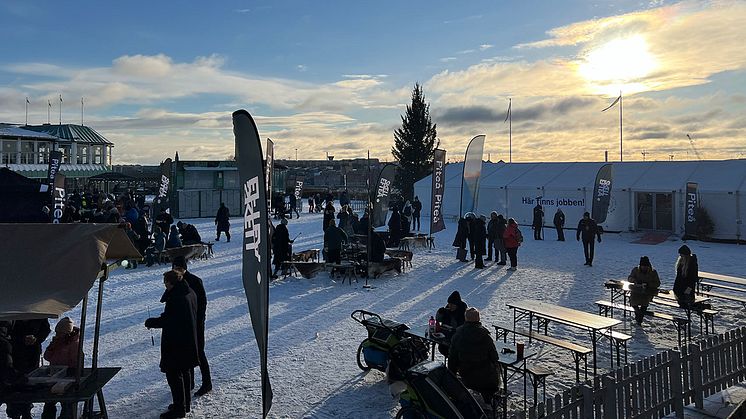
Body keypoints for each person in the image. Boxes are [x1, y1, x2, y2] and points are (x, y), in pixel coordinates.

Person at [145, 270, 200, 419]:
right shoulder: (189, 292)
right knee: (185, 371)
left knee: (174, 375)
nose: (165, 286)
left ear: (171, 283)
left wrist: (152, 322)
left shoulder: (177, 298)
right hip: (188, 339)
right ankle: (185, 403)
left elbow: (170, 320)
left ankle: (179, 408)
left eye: (166, 283)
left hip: (177, 342)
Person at [171, 256, 212, 397]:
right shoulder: (177, 280)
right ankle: (190, 382)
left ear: (184, 267)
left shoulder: (195, 281)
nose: (175, 270)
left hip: (196, 323)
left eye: (178, 267)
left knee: (199, 352)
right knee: (187, 352)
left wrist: (197, 321)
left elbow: (203, 304)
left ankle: (207, 383)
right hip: (186, 324)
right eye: (174, 267)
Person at [448, 308, 500, 405]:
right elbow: (495, 357)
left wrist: (451, 378)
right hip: (486, 378)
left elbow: (452, 360)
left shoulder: (458, 335)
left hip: (467, 376)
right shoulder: (485, 336)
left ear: (465, 319)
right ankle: (489, 398)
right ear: (478, 319)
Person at [7, 319, 51, 419]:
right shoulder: (12, 313)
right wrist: (21, 339)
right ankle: (14, 412)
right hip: (14, 354)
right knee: (14, 384)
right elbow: (6, 332)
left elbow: (45, 329)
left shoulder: (38, 313)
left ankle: (26, 410)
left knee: (30, 383)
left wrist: (37, 338)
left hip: (32, 355)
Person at [42, 317, 81, 419]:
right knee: (49, 402)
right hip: (54, 376)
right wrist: (51, 347)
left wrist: (69, 371)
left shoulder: (74, 345)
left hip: (67, 378)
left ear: (67, 333)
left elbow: (76, 362)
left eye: (59, 333)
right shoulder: (57, 342)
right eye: (56, 333)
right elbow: (47, 357)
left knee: (66, 404)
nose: (57, 335)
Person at [628, 256, 661, 325]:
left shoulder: (653, 272)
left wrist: (649, 284)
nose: (644, 268)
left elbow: (657, 283)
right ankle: (638, 315)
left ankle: (639, 318)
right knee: (633, 300)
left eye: (645, 266)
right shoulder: (636, 270)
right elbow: (629, 278)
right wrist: (635, 280)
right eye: (643, 266)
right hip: (636, 290)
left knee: (644, 303)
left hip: (648, 292)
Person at [435, 291, 468, 356]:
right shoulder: (447, 310)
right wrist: (440, 312)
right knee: (443, 348)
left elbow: (462, 328)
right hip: (445, 337)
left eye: (452, 304)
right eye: (449, 304)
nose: (450, 306)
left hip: (458, 340)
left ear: (457, 305)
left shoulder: (463, 312)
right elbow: (438, 320)